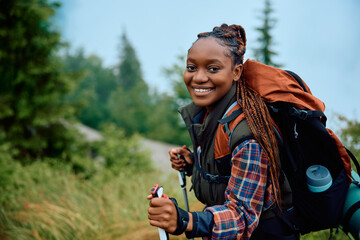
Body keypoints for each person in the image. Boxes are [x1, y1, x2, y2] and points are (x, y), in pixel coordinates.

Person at [147, 24, 299, 240]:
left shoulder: (248, 136)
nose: (198, 77)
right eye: (191, 67)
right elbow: (227, 171)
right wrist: (193, 164)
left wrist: (185, 221)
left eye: (213, 69)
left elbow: (242, 216)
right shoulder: (213, 115)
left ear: (236, 72)